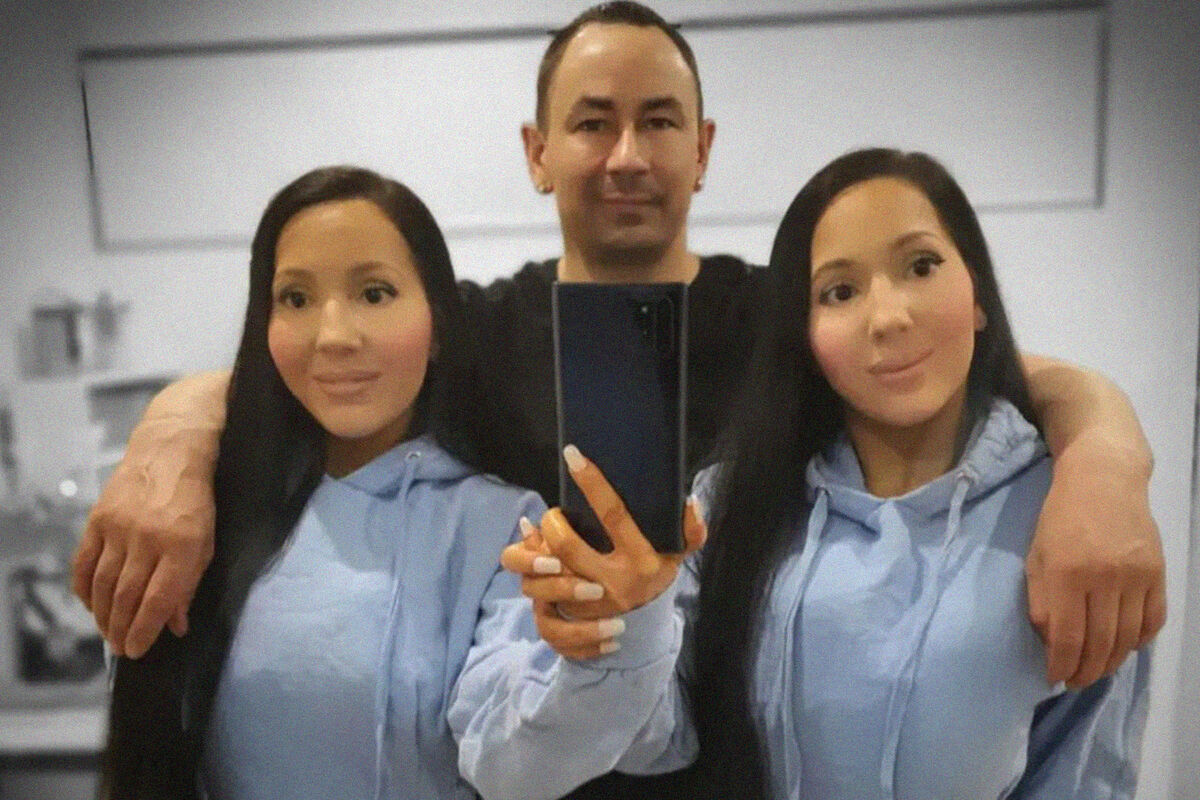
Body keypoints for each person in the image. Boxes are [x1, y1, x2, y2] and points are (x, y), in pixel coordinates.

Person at [75, 1, 1162, 796]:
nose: (628, 155)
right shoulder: (472, 331)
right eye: (594, 121)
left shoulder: (786, 321)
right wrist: (166, 444)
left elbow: (1003, 369)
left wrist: (1105, 464)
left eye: (660, 120)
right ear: (538, 152)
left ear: (705, 148)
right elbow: (303, 365)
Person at [455, 148, 1152, 800]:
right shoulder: (735, 504)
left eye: (921, 266)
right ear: (806, 333)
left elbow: (1086, 772)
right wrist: (625, 624)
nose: (889, 317)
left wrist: (1105, 460)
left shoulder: (1074, 523)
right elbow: (648, 736)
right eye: (840, 291)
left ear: (977, 292)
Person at [101, 166, 547, 799]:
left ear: (439, 325)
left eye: (374, 294)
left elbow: (524, 746)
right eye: (296, 299)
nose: (334, 337)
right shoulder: (195, 514)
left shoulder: (502, 525)